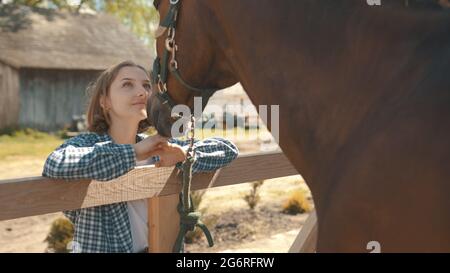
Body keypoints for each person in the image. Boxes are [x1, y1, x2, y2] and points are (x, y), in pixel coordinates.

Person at [42, 60, 239, 253]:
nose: (142, 92)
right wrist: (134, 152)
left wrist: (185, 156)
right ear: (104, 101)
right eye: (127, 84)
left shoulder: (159, 146)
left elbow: (227, 149)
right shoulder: (86, 144)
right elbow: (55, 164)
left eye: (147, 85)